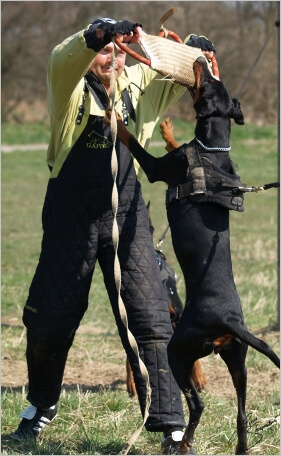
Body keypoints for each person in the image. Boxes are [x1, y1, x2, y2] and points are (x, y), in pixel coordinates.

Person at [11, 18, 189, 454]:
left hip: (127, 216)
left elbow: (180, 70)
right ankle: (40, 407)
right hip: (70, 219)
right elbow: (63, 56)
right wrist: (98, 34)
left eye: (115, 52)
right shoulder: (68, 85)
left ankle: (172, 426)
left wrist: (182, 48)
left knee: (151, 319)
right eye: (102, 53)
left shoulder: (134, 81)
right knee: (49, 321)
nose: (109, 59)